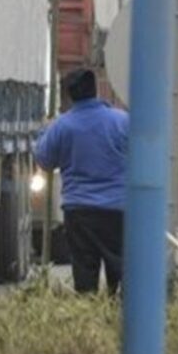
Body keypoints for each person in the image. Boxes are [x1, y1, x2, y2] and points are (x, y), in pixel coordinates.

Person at [34, 68, 129, 294]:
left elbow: (45, 161)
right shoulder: (122, 121)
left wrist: (42, 134)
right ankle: (119, 316)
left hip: (79, 211)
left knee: (85, 272)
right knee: (123, 269)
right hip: (119, 210)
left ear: (69, 95)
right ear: (96, 90)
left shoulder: (62, 126)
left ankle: (88, 317)